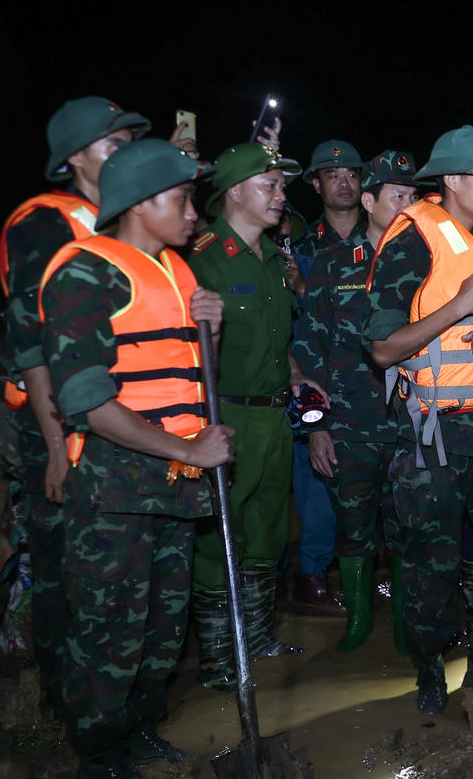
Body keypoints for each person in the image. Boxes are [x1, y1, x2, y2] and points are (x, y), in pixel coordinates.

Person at [39, 138, 234, 777]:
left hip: (173, 483)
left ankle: (139, 730)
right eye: (182, 199)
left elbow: (187, 377)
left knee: (161, 628)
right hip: (115, 490)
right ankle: (99, 754)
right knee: (108, 632)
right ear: (139, 203)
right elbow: (88, 403)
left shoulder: (179, 271)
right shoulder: (85, 272)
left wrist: (212, 329)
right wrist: (189, 448)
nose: (194, 214)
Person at [364, 125, 473, 715]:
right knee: (430, 561)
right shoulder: (411, 239)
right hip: (434, 432)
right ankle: (429, 669)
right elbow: (382, 349)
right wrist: (458, 308)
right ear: (452, 180)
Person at [0, 95, 150, 720]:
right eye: (113, 145)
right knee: (66, 563)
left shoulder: (120, 217)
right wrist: (57, 448)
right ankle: (66, 707)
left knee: (122, 568)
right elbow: (32, 346)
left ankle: (121, 706)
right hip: (57, 425)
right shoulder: (42, 226)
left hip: (116, 418)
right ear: (75, 158)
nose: (124, 156)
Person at [188, 142, 318, 690]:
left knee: (267, 531)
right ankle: (219, 659)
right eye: (270, 185)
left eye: (282, 186)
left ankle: (258, 638)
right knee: (221, 536)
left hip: (274, 416)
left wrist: (296, 374)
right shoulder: (202, 259)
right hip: (227, 417)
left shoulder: (272, 259)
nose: (281, 195)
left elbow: (274, 336)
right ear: (235, 192)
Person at [292, 150, 420, 653]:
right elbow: (309, 350)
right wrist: (316, 427)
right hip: (349, 423)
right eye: (397, 195)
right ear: (369, 201)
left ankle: (408, 626)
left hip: (412, 421)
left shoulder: (425, 261)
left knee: (409, 527)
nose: (408, 204)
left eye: (413, 195)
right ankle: (359, 620)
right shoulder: (332, 264)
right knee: (352, 527)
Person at [288, 139, 372, 614]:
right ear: (316, 184)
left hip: (374, 384)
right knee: (318, 482)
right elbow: (292, 327)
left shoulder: (384, 237)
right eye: (332, 175)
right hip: (320, 380)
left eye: (352, 174)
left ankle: (371, 574)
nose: (344, 183)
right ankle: (312, 574)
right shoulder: (299, 248)